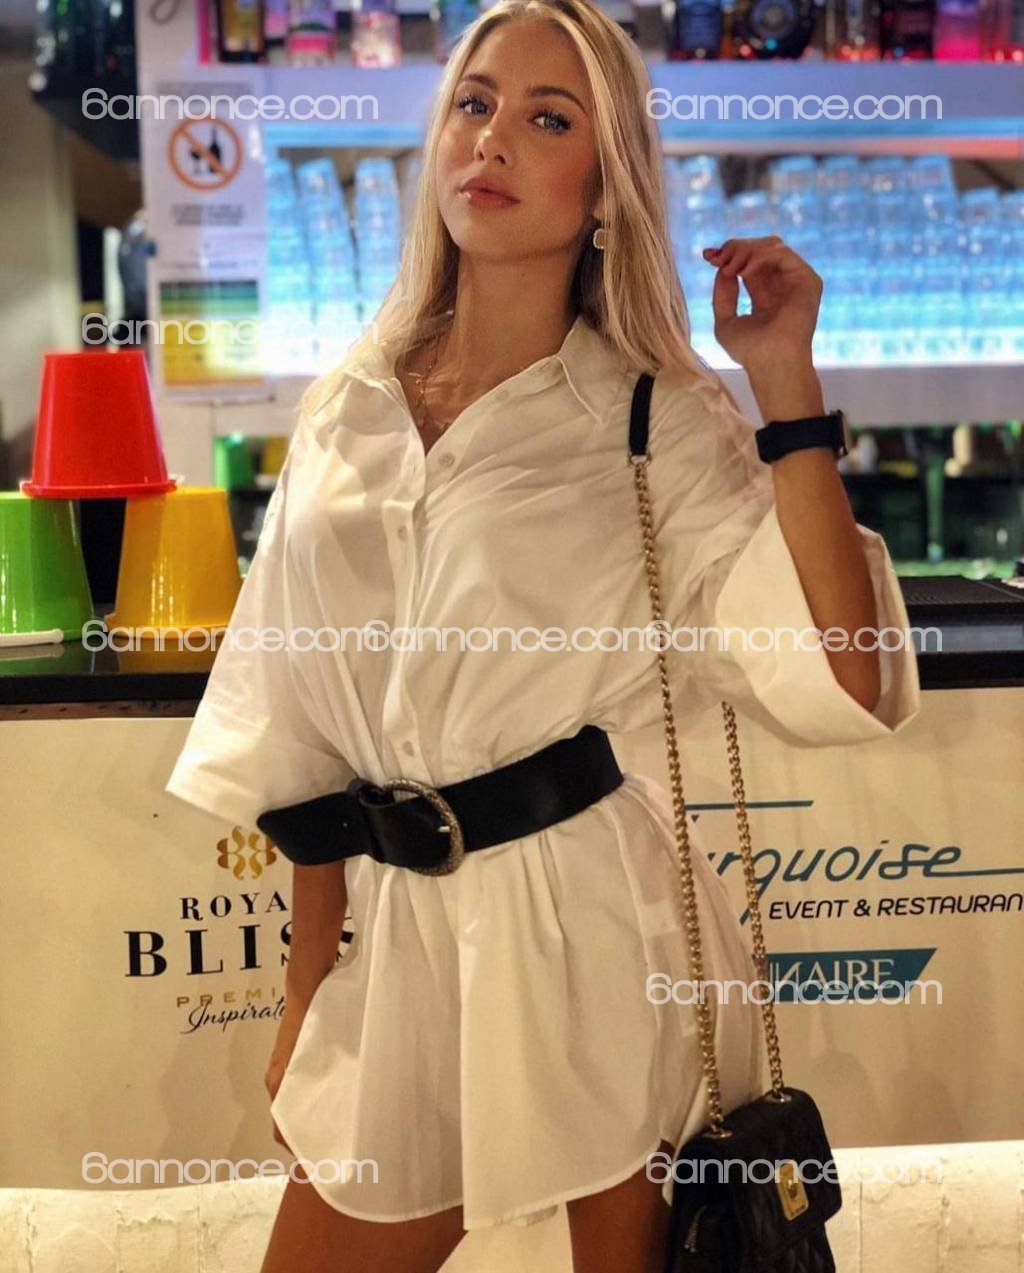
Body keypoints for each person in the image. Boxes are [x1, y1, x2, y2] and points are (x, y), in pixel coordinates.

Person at [164, 0, 921, 1269]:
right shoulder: (349, 403)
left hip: (594, 931)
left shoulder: (654, 415)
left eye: (548, 118)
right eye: (474, 104)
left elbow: (843, 674)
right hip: (401, 941)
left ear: (604, 186)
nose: (493, 139)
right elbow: (294, 725)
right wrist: (304, 993)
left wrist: (784, 385)